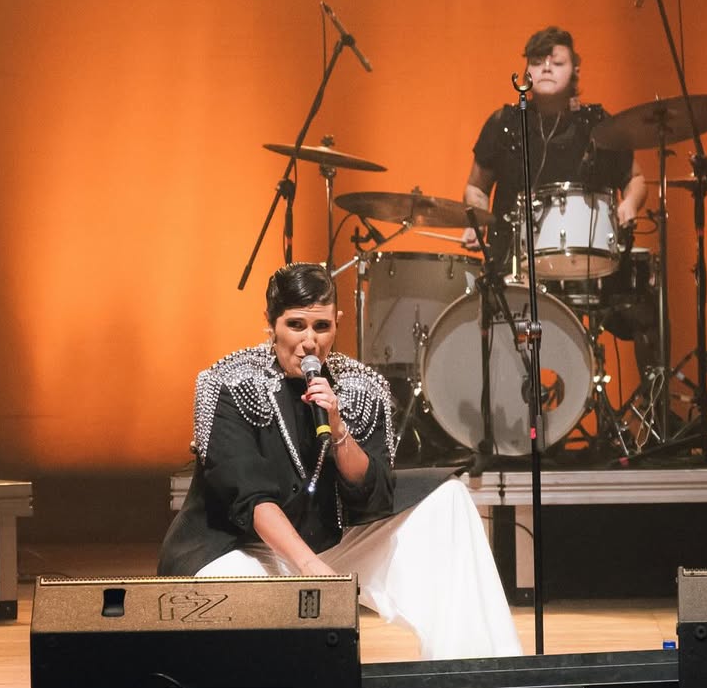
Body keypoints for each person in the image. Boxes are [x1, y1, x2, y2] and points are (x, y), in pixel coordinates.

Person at [157, 262, 523, 663]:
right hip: (240, 548)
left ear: (338, 322)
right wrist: (311, 569)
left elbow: (372, 493)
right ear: (271, 323)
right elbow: (251, 499)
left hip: (324, 540)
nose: (309, 342)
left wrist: (337, 429)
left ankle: (465, 674)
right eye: (295, 325)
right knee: (234, 603)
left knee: (448, 499)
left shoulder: (361, 388)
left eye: (321, 327)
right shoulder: (229, 385)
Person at [462, 25, 648, 270]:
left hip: (587, 265)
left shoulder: (598, 124)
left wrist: (630, 203)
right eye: (537, 62)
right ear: (527, 71)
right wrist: (477, 221)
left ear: (575, 72)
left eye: (557, 63)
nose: (546, 68)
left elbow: (635, 178)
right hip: (512, 262)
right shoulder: (504, 123)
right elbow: (477, 186)